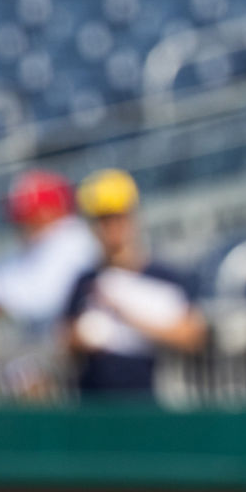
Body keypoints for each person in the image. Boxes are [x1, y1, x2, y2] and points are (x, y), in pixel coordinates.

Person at [0, 168, 101, 396]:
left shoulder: (73, 238)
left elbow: (45, 298)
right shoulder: (30, 244)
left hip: (76, 358)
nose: (24, 221)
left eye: (31, 211)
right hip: (38, 354)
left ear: (51, 210)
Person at [64, 168, 207, 399]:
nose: (110, 228)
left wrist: (125, 312)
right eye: (102, 219)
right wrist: (80, 338)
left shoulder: (164, 276)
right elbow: (64, 339)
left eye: (116, 217)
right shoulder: (85, 281)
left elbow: (193, 335)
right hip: (95, 407)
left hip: (152, 404)